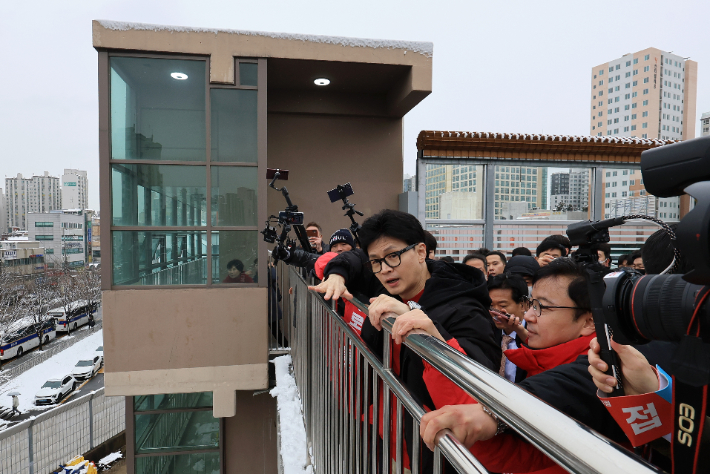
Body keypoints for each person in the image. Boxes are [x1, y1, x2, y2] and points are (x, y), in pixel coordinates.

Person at [309, 209, 500, 472]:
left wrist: (424, 327)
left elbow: (477, 394)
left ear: (421, 252)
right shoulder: (391, 286)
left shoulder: (466, 310)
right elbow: (353, 256)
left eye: (393, 256)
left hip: (438, 452)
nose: (385, 269)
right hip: (394, 438)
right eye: (376, 261)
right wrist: (337, 275)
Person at [418, 258, 629, 474]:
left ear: (588, 322)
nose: (528, 316)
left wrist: (490, 412)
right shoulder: (545, 357)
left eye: (542, 308)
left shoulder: (603, 372)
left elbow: (506, 454)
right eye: (531, 304)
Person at [487, 274, 528, 382]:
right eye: (491, 306)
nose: (496, 312)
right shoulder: (488, 332)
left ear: (523, 305)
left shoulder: (537, 332)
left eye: (503, 306)